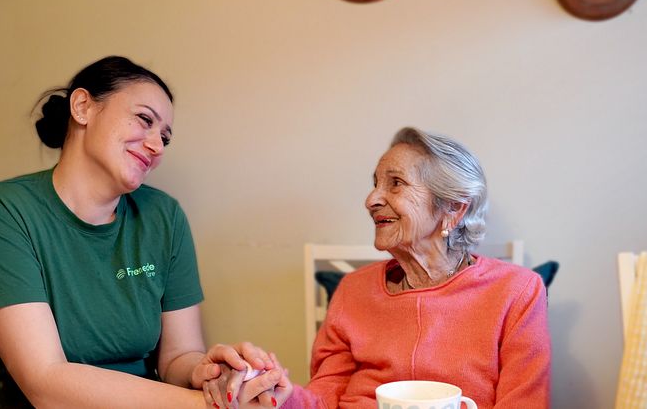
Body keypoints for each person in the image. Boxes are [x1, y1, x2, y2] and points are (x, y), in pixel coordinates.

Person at [0, 55, 284, 408]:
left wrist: (210, 376)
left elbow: (178, 356)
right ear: (83, 107)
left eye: (165, 137)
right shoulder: (2, 210)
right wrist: (205, 406)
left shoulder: (164, 216)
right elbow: (46, 384)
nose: (157, 146)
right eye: (144, 120)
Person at [208, 127, 551, 408]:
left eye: (395, 183)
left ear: (453, 209)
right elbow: (324, 398)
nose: (371, 200)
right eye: (375, 183)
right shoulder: (354, 290)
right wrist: (279, 392)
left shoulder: (517, 291)